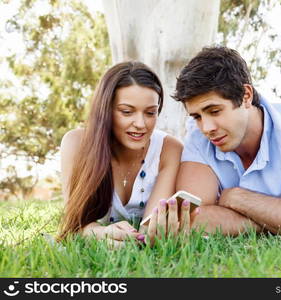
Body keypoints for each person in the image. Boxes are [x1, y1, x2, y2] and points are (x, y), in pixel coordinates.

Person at [173, 46, 281, 238]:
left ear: (246, 96)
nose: (206, 127)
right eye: (197, 116)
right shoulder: (198, 136)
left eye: (215, 111)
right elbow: (190, 219)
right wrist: (279, 221)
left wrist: (237, 198)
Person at [59, 61, 196, 247]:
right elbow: (73, 223)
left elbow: (150, 228)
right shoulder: (76, 144)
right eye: (126, 111)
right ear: (105, 110)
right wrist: (98, 233)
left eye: (150, 113)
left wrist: (152, 235)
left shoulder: (169, 149)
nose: (140, 123)